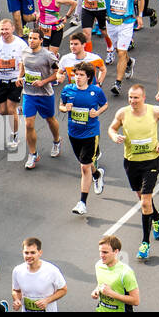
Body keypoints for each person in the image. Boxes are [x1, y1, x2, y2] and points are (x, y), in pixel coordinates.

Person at [107, 84, 159, 260]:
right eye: (130, 97)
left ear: (143, 97)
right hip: (131, 162)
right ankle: (158, 218)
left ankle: (145, 243)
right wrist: (115, 137)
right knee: (142, 198)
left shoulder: (154, 111)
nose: (132, 101)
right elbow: (112, 128)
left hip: (151, 160)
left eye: (136, 97)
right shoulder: (122, 113)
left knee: (145, 202)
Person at [57, 61, 108, 216]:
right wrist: (64, 108)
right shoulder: (68, 90)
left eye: (81, 75)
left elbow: (105, 104)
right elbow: (60, 105)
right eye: (75, 74)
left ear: (89, 77)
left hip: (90, 133)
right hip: (73, 133)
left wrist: (97, 113)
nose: (77, 78)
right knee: (85, 163)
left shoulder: (95, 91)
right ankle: (97, 174)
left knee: (84, 167)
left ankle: (82, 203)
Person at [10, 237, 67, 312]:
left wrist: (47, 300)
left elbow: (63, 289)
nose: (29, 256)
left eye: (33, 253)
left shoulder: (52, 270)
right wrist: (17, 300)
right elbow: (16, 290)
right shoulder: (17, 271)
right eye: (26, 253)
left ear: (40, 253)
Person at [92, 234, 140, 312]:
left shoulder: (126, 273)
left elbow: (135, 301)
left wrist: (111, 293)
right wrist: (97, 290)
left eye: (105, 252)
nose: (101, 255)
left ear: (116, 251)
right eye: (100, 252)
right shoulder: (99, 265)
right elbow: (102, 284)